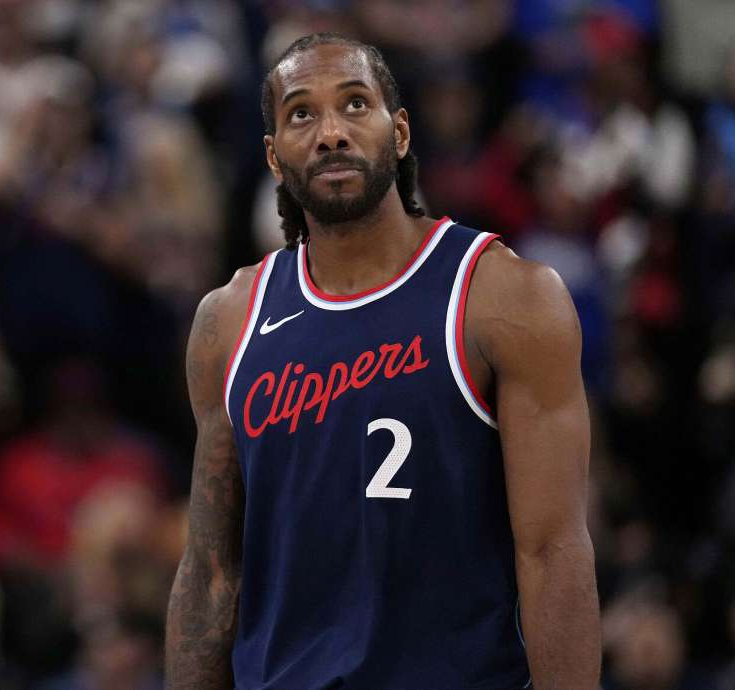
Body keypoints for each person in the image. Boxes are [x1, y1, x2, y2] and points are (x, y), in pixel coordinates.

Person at [164, 32, 599, 689]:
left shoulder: (502, 297)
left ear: (399, 134)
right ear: (274, 157)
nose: (331, 132)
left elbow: (552, 551)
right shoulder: (228, 322)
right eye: (301, 114)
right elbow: (209, 569)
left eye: (355, 104)